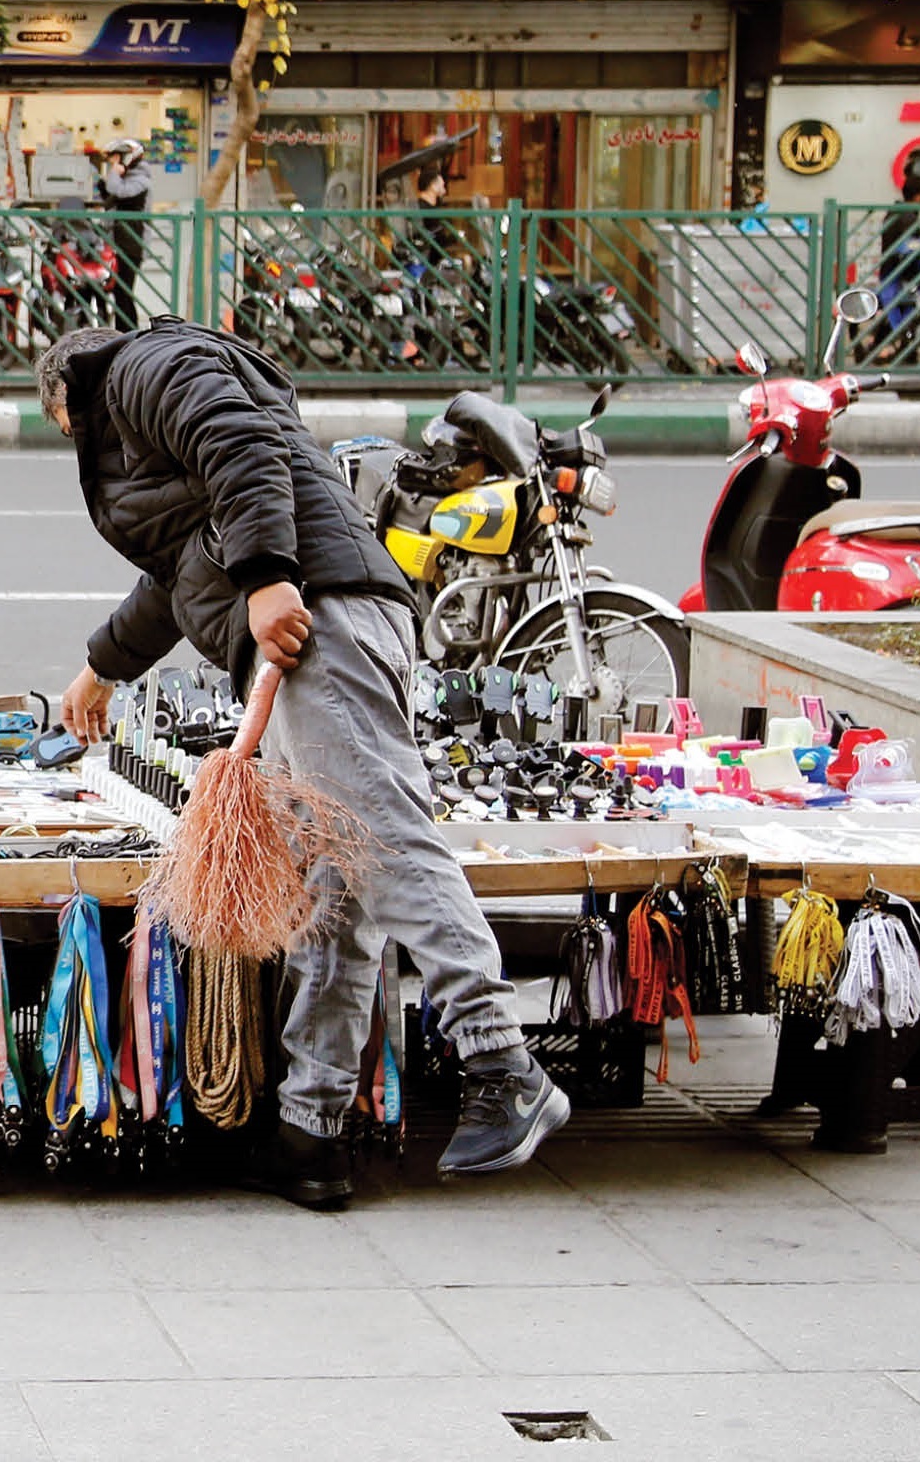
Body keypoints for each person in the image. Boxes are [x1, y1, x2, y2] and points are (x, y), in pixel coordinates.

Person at [40, 317, 566, 1206]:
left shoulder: (144, 366)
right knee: (336, 885)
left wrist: (269, 577)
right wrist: (100, 669)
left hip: (318, 619)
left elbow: (241, 444)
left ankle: (502, 1064)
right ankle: (308, 1131)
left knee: (385, 841)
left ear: (64, 395)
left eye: (63, 433)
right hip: (311, 618)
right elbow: (178, 578)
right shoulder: (148, 415)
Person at [92, 135, 152, 330]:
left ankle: (129, 334)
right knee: (111, 290)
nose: (111, 162)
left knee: (124, 292)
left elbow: (120, 192)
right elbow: (108, 200)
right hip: (113, 242)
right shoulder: (123, 178)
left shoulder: (141, 180)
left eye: (115, 157)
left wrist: (114, 175)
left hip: (130, 243)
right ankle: (117, 333)